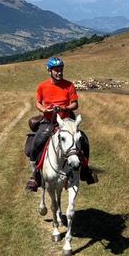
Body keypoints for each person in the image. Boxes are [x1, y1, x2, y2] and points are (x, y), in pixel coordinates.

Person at [26, 56, 97, 191]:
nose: (59, 72)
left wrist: (64, 108)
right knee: (38, 140)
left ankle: (85, 170)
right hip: (49, 120)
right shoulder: (42, 86)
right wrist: (44, 110)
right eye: (56, 70)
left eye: (61, 70)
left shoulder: (69, 85)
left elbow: (75, 104)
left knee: (83, 139)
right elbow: (38, 103)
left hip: (67, 120)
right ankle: (35, 175)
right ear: (49, 71)